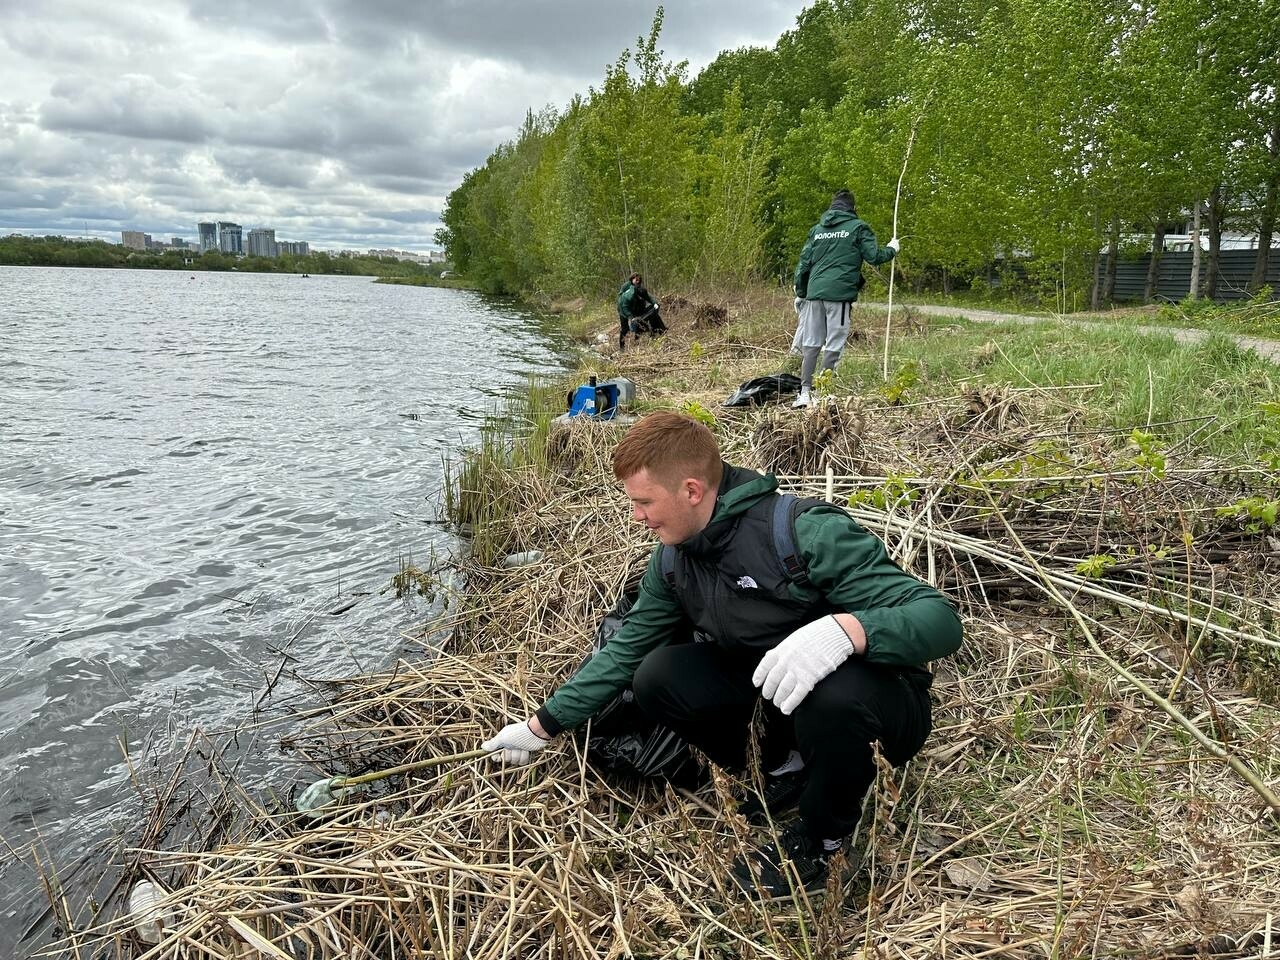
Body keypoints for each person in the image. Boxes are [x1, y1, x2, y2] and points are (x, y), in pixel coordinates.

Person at [481, 412, 963, 898]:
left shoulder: (803, 532)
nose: (637, 517)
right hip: (778, 700)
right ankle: (783, 771)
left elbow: (939, 620)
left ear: (691, 490)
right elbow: (626, 649)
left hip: (876, 711)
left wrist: (847, 631)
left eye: (644, 502)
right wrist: (541, 726)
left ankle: (823, 839)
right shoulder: (673, 559)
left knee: (835, 694)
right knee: (658, 674)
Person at [792, 189, 898, 408]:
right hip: (838, 296)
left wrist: (801, 292)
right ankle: (823, 391)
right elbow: (874, 256)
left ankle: (804, 393)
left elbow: (804, 264)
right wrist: (891, 249)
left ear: (832, 208)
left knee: (811, 343)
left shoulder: (817, 230)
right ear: (852, 208)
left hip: (814, 294)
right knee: (834, 343)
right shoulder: (858, 228)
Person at [616, 272, 667, 350]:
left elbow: (648, 297)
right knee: (625, 329)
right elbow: (624, 305)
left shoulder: (640, 289)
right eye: (636, 280)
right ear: (632, 279)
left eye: (639, 280)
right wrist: (630, 316)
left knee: (642, 320)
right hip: (623, 310)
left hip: (635, 308)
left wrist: (654, 303)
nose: (638, 281)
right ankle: (622, 347)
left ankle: (641, 339)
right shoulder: (626, 288)